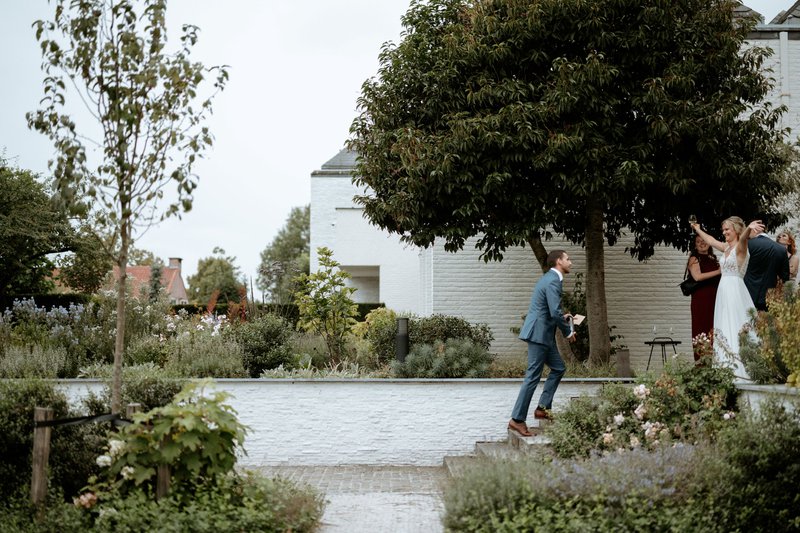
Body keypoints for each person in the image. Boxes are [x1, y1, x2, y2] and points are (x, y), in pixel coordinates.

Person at [508, 249, 576, 437]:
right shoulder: (553, 280)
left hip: (544, 335)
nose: (570, 262)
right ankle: (517, 420)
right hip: (539, 335)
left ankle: (543, 408)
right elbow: (553, 312)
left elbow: (549, 310)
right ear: (559, 261)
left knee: (559, 368)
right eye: (568, 259)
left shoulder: (549, 279)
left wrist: (563, 317)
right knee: (532, 377)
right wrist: (568, 331)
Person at [691, 217, 761, 380]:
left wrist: (748, 229)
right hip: (723, 291)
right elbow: (710, 240)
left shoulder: (741, 248)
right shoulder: (726, 247)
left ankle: (740, 370)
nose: (724, 232)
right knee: (723, 325)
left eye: (727, 229)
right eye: (723, 230)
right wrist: (697, 228)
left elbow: (743, 239)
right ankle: (724, 367)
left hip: (735, 291)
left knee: (736, 324)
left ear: (736, 230)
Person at [686, 235, 720, 361]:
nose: (701, 243)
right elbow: (697, 277)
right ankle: (701, 363)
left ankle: (714, 362)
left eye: (704, 241)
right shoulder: (694, 258)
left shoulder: (713, 258)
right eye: (698, 242)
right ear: (695, 245)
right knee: (701, 329)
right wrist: (719, 271)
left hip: (714, 299)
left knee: (713, 329)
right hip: (701, 299)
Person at [744, 226, 790, 312]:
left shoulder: (747, 244)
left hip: (747, 292)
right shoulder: (781, 249)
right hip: (768, 295)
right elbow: (784, 276)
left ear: (755, 230)